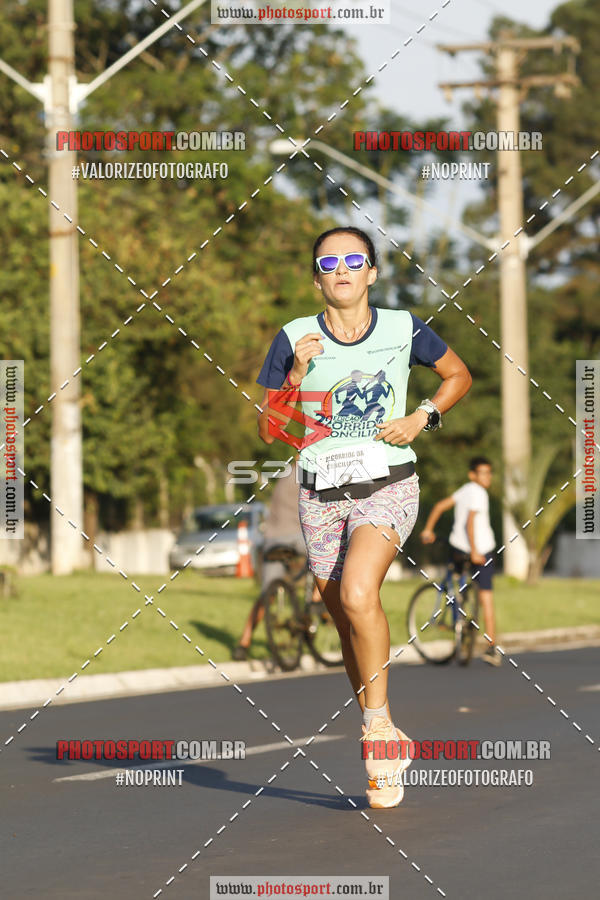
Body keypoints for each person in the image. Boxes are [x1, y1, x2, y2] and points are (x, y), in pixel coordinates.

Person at [256, 226, 472, 808]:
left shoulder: (403, 328)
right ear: (317, 276)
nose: (342, 269)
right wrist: (296, 379)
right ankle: (384, 733)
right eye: (329, 262)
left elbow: (459, 375)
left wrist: (422, 416)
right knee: (348, 621)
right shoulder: (294, 336)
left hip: (388, 485)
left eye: (355, 260)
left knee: (357, 593)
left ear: (372, 273)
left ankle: (377, 733)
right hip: (319, 493)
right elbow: (271, 431)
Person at [420, 456, 500, 666]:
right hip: (480, 550)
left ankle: (459, 623)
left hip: (459, 547)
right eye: (482, 473)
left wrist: (428, 529)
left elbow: (439, 506)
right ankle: (491, 647)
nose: (487, 477)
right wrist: (474, 551)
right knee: (486, 597)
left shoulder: (465, 490)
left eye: (489, 472)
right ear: (472, 475)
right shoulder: (479, 493)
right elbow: (470, 523)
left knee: (456, 585)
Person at [232, 458, 310, 661]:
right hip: (296, 537)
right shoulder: (309, 475)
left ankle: (244, 641)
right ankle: (318, 601)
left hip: (272, 540)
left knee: (267, 594)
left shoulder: (285, 475)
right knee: (328, 559)